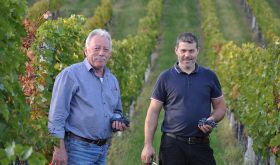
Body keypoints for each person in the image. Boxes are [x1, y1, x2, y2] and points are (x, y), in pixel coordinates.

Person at [141, 32, 227, 165]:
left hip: (201, 144)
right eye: (183, 50)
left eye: (191, 51)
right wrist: (148, 145)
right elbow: (153, 112)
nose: (187, 55)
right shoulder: (165, 78)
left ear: (198, 51)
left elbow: (220, 107)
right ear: (176, 50)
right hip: (172, 146)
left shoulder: (209, 76)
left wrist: (211, 119)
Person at [48, 29, 127, 165]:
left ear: (110, 54)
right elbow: (57, 115)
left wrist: (117, 121)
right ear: (86, 50)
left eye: (106, 50)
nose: (101, 53)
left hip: (102, 150)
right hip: (78, 149)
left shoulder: (112, 80)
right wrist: (59, 149)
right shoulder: (70, 75)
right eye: (97, 48)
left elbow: (117, 111)